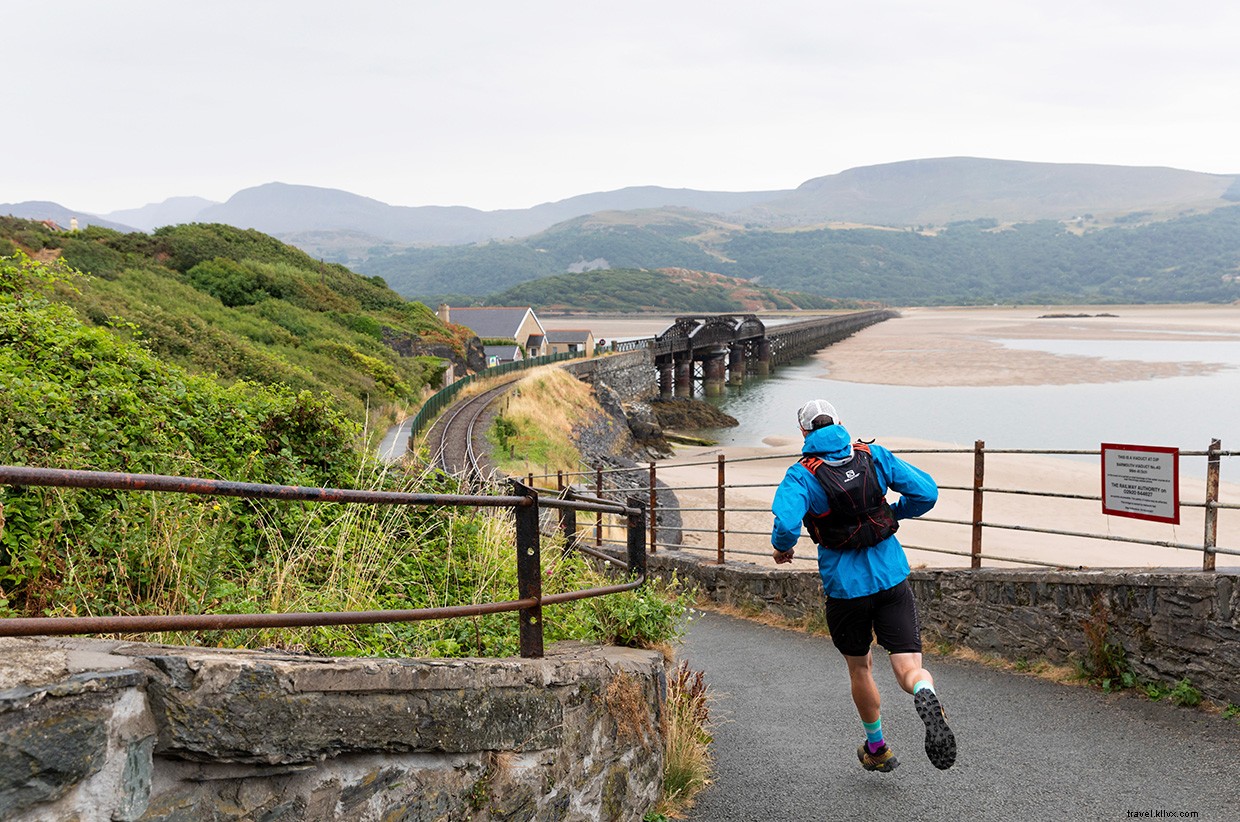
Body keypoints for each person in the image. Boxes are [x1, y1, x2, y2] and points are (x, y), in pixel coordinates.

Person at [770, 399, 956, 772]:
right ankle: (924, 691)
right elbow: (927, 493)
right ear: (840, 422)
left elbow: (788, 524)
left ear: (804, 433)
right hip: (891, 576)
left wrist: (782, 548)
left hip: (845, 588)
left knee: (861, 668)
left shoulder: (801, 475)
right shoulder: (873, 455)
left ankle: (877, 747)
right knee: (908, 667)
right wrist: (893, 511)